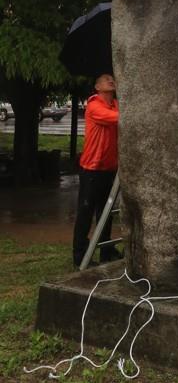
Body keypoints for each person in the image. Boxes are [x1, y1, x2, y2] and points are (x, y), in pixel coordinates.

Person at [72, 73, 121, 267]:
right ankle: (79, 255)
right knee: (86, 211)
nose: (111, 80)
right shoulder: (94, 105)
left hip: (109, 168)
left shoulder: (115, 103)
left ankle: (106, 250)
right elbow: (115, 118)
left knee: (106, 212)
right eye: (105, 78)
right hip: (91, 168)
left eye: (112, 78)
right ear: (97, 86)